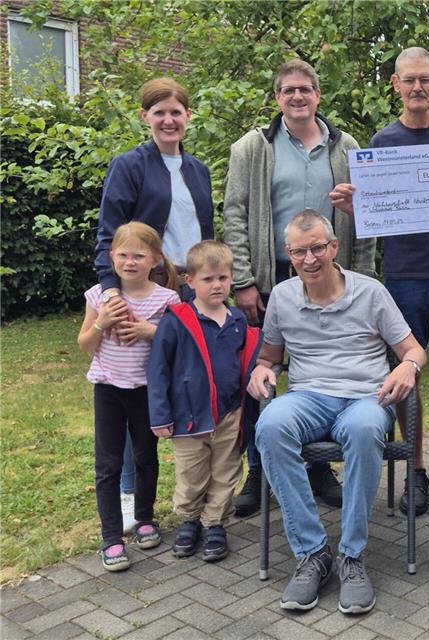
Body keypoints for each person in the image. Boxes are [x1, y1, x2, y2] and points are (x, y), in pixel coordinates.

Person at [246, 210, 426, 615]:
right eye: (298, 251)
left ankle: (352, 556)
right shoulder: (283, 296)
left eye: (316, 249)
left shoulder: (371, 292)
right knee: (271, 424)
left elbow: (413, 350)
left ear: (333, 247)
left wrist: (407, 367)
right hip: (309, 397)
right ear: (288, 254)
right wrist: (261, 370)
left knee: (364, 429)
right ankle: (313, 553)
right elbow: (269, 356)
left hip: (366, 397)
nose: (309, 259)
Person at [223, 59, 375, 516]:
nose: (297, 97)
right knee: (260, 375)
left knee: (323, 373)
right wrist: (244, 282)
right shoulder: (254, 147)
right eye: (288, 90)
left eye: (305, 89)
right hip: (272, 279)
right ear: (277, 97)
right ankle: (259, 470)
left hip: (334, 283)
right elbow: (234, 214)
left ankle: (318, 470)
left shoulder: (346, 146)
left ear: (317, 95)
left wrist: (363, 276)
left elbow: (368, 218)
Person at [330, 46, 429, 517]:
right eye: (408, 80)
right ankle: (414, 471)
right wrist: (358, 209)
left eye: (425, 80)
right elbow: (378, 213)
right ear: (395, 85)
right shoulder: (381, 144)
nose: (417, 88)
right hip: (405, 276)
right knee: (406, 375)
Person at [93, 77, 214, 530]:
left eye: (176, 112)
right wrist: (112, 291)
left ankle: (196, 495)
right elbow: (110, 233)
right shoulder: (129, 166)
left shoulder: (198, 169)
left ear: (188, 118)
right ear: (144, 117)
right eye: (159, 111)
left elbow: (205, 230)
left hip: (192, 286)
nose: (169, 119)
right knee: (130, 389)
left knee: (186, 383)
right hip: (144, 284)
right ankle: (128, 493)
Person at [147, 241, 261, 562]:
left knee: (226, 472)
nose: (217, 285)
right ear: (190, 281)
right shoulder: (178, 320)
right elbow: (158, 369)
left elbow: (247, 364)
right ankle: (189, 520)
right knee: (192, 474)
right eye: (208, 279)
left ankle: (214, 524)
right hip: (188, 416)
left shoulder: (238, 321)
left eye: (223, 278)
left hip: (229, 413)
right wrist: (160, 415)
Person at [77, 222, 180, 572]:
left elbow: (177, 344)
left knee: (145, 456)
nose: (130, 262)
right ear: (112, 258)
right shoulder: (98, 296)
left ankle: (145, 518)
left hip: (145, 391)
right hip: (107, 389)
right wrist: (102, 322)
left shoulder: (168, 299)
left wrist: (149, 330)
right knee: (108, 464)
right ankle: (111, 538)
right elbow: (84, 346)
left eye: (139, 255)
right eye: (123, 254)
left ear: (155, 260)